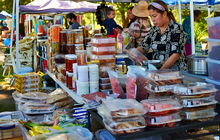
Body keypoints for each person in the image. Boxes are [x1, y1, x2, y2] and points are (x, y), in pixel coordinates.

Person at [137, 1, 188, 71]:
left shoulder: (177, 28)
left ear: (164, 14)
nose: (152, 19)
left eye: (154, 16)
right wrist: (133, 53)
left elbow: (176, 54)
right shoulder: (154, 30)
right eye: (151, 16)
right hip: (156, 71)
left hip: (175, 72)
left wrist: (160, 71)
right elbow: (143, 47)